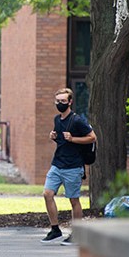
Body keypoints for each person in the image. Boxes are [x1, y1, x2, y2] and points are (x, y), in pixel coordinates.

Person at [41, 87, 96, 244]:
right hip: (57, 164)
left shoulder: (78, 120)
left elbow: (92, 138)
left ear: (70, 102)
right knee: (47, 194)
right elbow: (61, 141)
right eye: (57, 101)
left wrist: (73, 139)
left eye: (63, 101)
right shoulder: (57, 120)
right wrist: (53, 136)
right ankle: (55, 229)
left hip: (73, 166)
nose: (60, 104)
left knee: (73, 200)